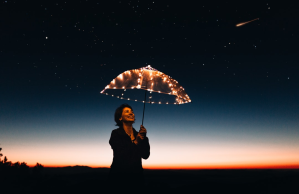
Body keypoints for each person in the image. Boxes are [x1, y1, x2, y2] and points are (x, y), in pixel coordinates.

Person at [109, 103, 150, 188]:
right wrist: (136, 142)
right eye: (127, 112)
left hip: (137, 178)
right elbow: (121, 155)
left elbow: (145, 155)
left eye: (132, 111)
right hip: (119, 178)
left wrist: (144, 137)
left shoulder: (137, 134)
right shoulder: (116, 134)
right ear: (120, 118)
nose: (131, 113)